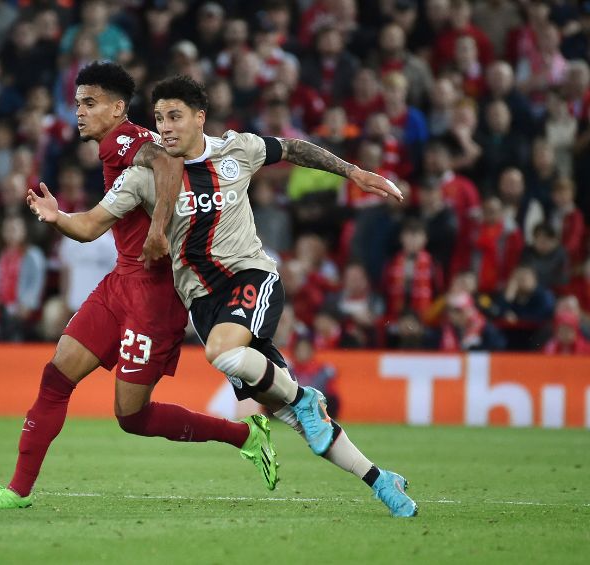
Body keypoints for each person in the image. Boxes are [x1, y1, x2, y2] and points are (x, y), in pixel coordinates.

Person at [27, 75, 418, 518]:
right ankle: (381, 479)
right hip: (206, 306)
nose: (166, 127)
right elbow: (90, 223)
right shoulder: (142, 178)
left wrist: (353, 172)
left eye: (175, 116)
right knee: (293, 417)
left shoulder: (239, 150)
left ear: (200, 118)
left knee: (225, 356)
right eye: (159, 118)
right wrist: (56, 216)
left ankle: (306, 397)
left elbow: (292, 148)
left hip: (251, 278)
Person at [0, 62, 278, 511]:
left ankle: (244, 434)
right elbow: (96, 222)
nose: (80, 113)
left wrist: (157, 230)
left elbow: (168, 164)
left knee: (131, 416)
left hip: (155, 296)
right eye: (77, 103)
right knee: (57, 375)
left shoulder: (128, 140)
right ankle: (17, 490)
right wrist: (59, 217)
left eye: (90, 104)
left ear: (117, 108)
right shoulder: (117, 146)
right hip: (121, 281)